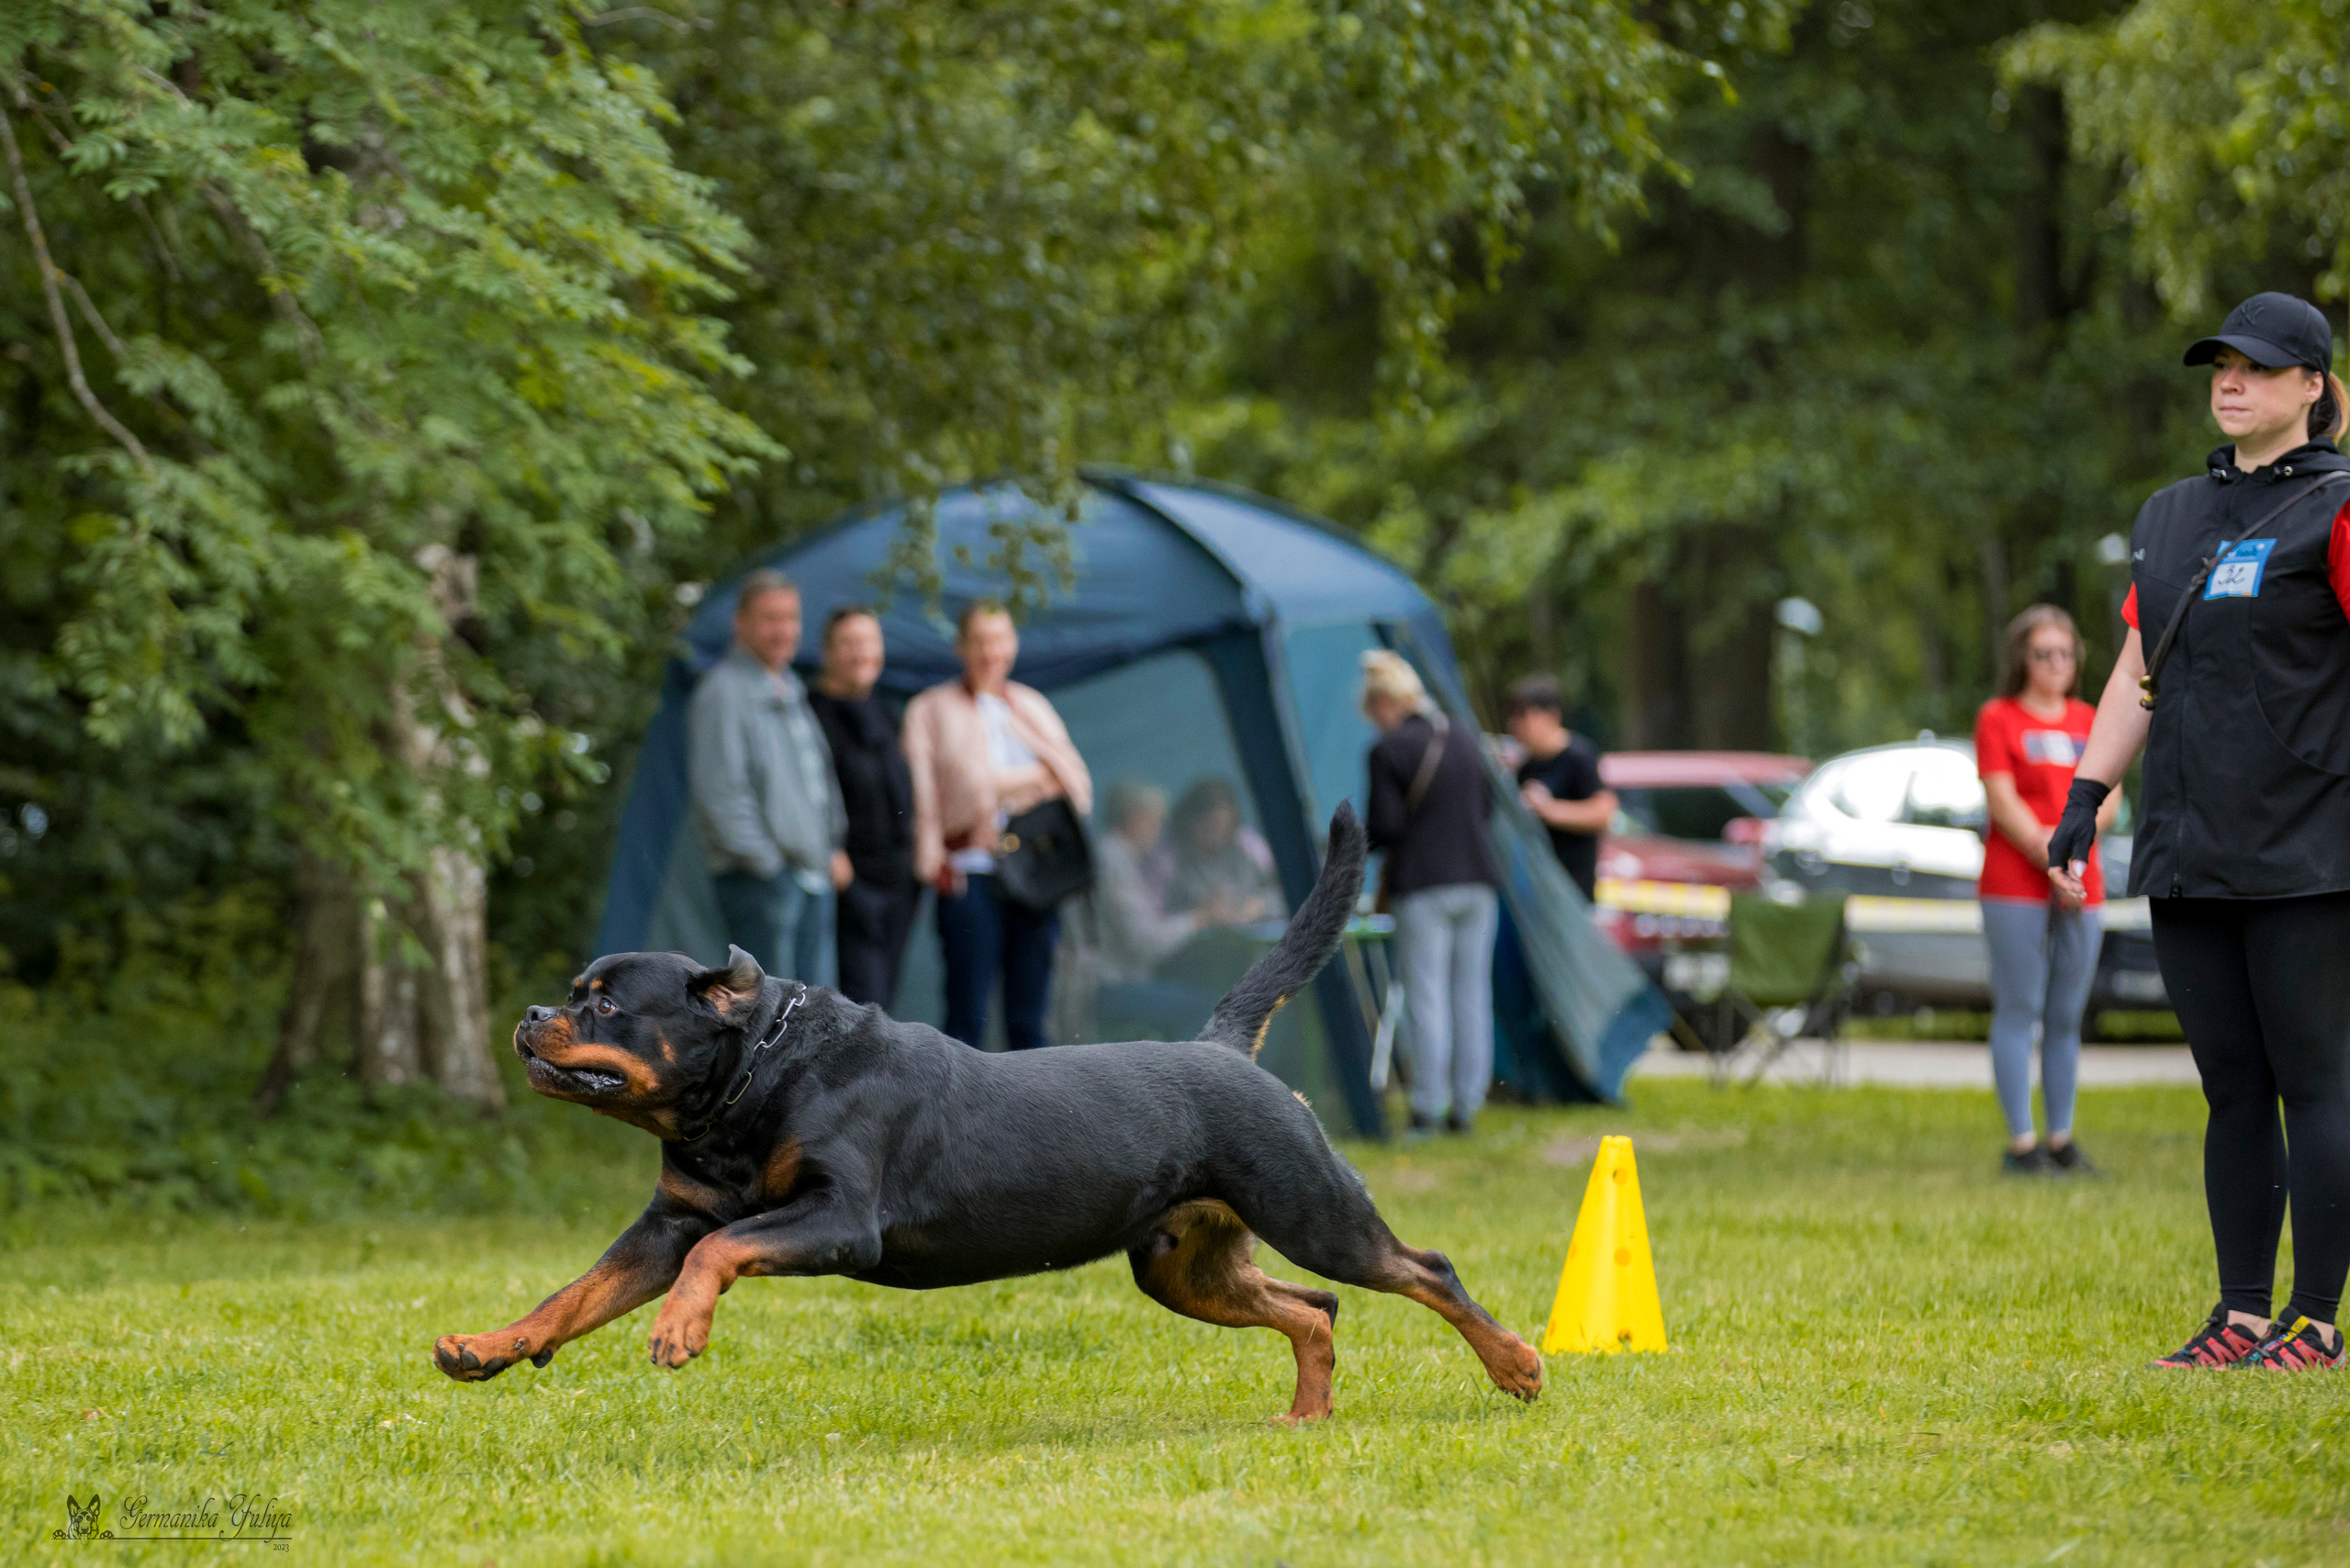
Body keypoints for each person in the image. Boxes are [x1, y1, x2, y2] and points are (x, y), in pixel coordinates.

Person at [2048, 291, 2350, 1372]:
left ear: (2313, 386)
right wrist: (2085, 797)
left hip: (2310, 845)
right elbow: (2139, 667)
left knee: (2314, 1078)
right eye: (2221, 364)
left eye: (2260, 367)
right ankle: (2238, 1314)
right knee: (2230, 1085)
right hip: (2187, 840)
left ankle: (2314, 1319)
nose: (2231, 381)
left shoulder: (2340, 509)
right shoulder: (2171, 514)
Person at [903, 602, 1093, 1050]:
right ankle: (953, 1119)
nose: (992, 652)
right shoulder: (930, 709)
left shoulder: (1031, 704)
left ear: (1013, 645)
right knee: (966, 1012)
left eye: (1000, 639)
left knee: (1030, 1014)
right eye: (981, 641)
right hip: (971, 872)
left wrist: (1003, 785)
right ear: (961, 647)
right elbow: (928, 797)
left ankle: (1028, 1117)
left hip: (1035, 875)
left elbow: (1075, 784)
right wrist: (931, 859)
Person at [1975, 605, 2119, 1177]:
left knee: (2065, 1015)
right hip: (2015, 883)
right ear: (2022, 659)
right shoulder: (1999, 717)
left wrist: (2073, 860)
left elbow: (2108, 799)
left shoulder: (2091, 719)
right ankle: (2022, 1143)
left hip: (2083, 882)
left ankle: (2062, 1139)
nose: (2056, 664)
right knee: (2019, 1009)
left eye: (2066, 653)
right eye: (2043, 653)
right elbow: (2001, 797)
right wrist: (2050, 853)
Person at [1361, 650, 1502, 1136]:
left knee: (1426, 997)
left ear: (1383, 702)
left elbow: (1385, 826)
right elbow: (1489, 807)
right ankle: (1467, 1106)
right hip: (1479, 883)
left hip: (1423, 886)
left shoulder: (1388, 751)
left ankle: (1427, 1105)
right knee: (1472, 995)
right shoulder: (1464, 737)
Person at [688, 569, 851, 987]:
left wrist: (831, 844)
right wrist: (767, 866)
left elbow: (817, 777)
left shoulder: (789, 685)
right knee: (771, 1021)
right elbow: (721, 793)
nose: (783, 630)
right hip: (763, 882)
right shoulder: (723, 690)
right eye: (770, 618)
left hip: (810, 876)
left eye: (791, 618)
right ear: (739, 623)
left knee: (812, 1016)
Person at [808, 607, 920, 1011]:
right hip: (848, 884)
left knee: (883, 1003)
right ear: (827, 653)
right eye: (849, 643)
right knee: (860, 1007)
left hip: (899, 882)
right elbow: (805, 794)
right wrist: (831, 854)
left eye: (869, 642)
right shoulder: (811, 713)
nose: (861, 654)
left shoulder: (885, 710)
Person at [1085, 780, 1231, 1040]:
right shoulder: (1112, 861)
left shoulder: (1118, 857)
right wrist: (1200, 918)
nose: (1159, 830)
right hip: (1112, 986)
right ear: (1134, 818)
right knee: (1208, 1008)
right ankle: (1189, 1080)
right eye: (1156, 821)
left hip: (1119, 980)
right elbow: (1145, 942)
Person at [1504, 675, 1615, 902]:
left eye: (1523, 715)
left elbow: (1604, 813)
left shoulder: (1578, 756)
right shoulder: (1527, 767)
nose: (1516, 725)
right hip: (1537, 891)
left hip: (1573, 890)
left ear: (1551, 716)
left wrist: (1547, 810)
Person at [1163, 777, 1283, 923]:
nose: (1217, 835)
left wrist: (1261, 905)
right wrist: (1199, 913)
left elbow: (1285, 890)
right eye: (1209, 826)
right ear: (1189, 820)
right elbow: (1157, 918)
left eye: (1223, 826)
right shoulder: (1170, 858)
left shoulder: (1248, 845)